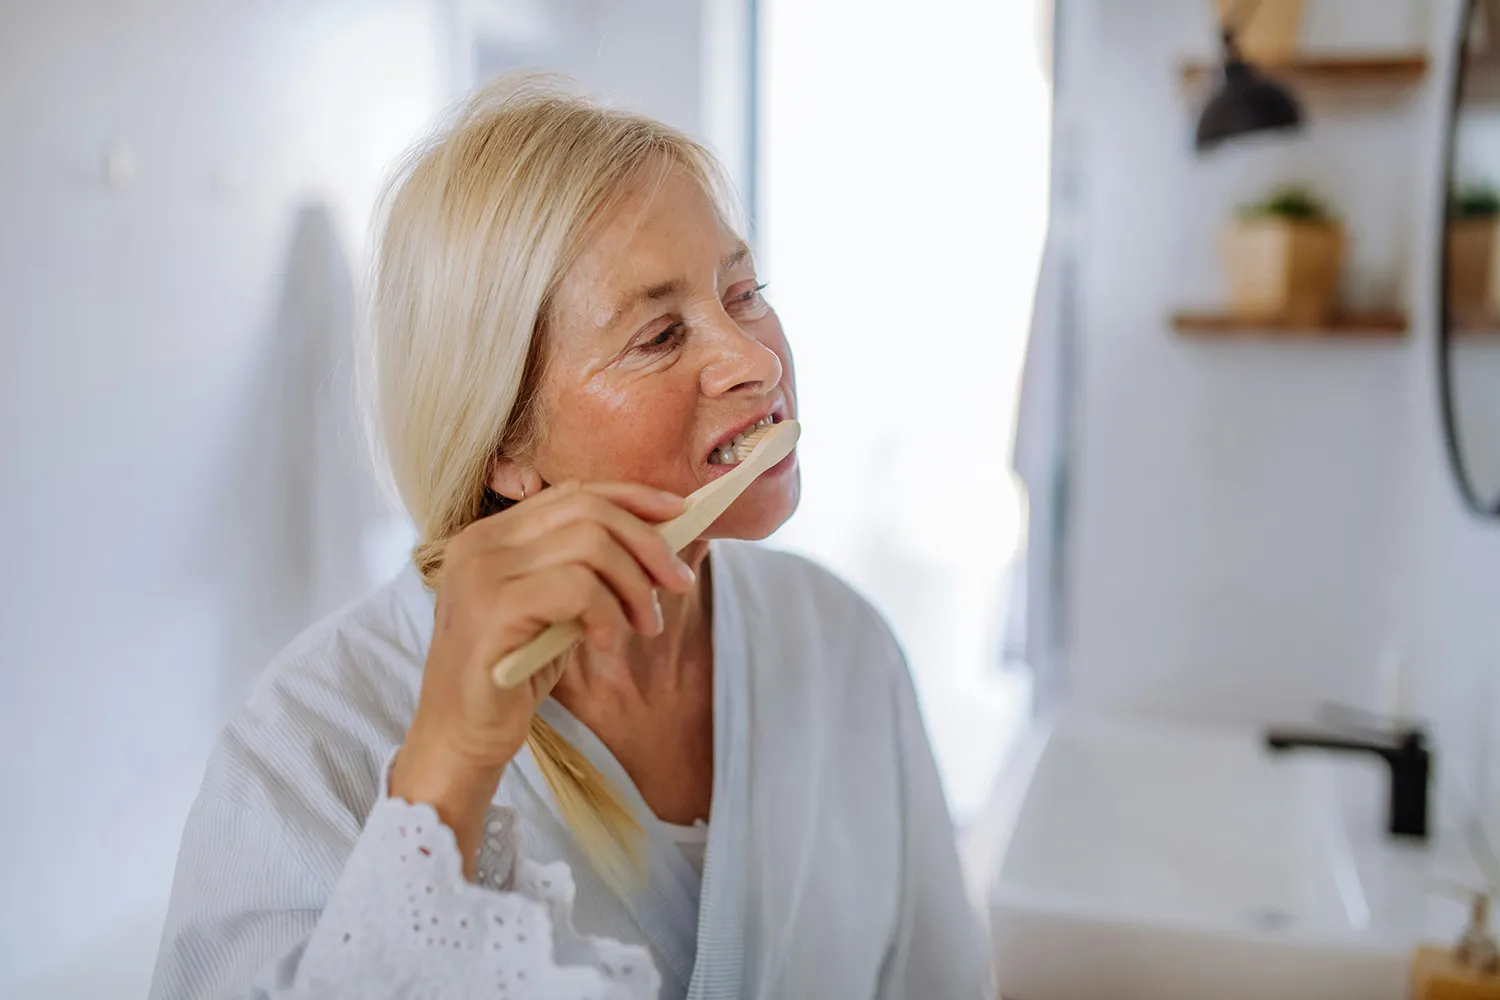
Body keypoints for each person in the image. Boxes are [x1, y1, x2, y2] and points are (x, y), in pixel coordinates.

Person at [149, 73, 991, 999]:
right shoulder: (306, 749)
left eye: (744, 291)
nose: (757, 360)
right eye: (661, 336)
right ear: (506, 445)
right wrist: (448, 779)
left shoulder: (843, 643)